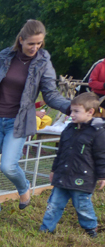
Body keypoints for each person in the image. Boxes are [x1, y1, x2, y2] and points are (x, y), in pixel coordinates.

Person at [0, 19, 71, 222]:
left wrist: (70, 107)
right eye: (31, 43)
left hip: (16, 122)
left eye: (39, 43)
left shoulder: (43, 64)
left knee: (9, 166)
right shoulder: (5, 57)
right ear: (21, 40)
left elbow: (51, 95)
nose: (35, 48)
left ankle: (23, 187)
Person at [40, 92, 105, 237]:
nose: (71, 114)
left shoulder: (98, 132)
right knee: (53, 205)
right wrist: (54, 169)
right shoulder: (69, 129)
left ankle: (90, 227)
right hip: (62, 174)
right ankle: (46, 228)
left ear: (90, 112)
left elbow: (101, 156)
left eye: (76, 111)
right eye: (71, 110)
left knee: (82, 205)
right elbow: (60, 151)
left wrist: (102, 176)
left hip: (83, 177)